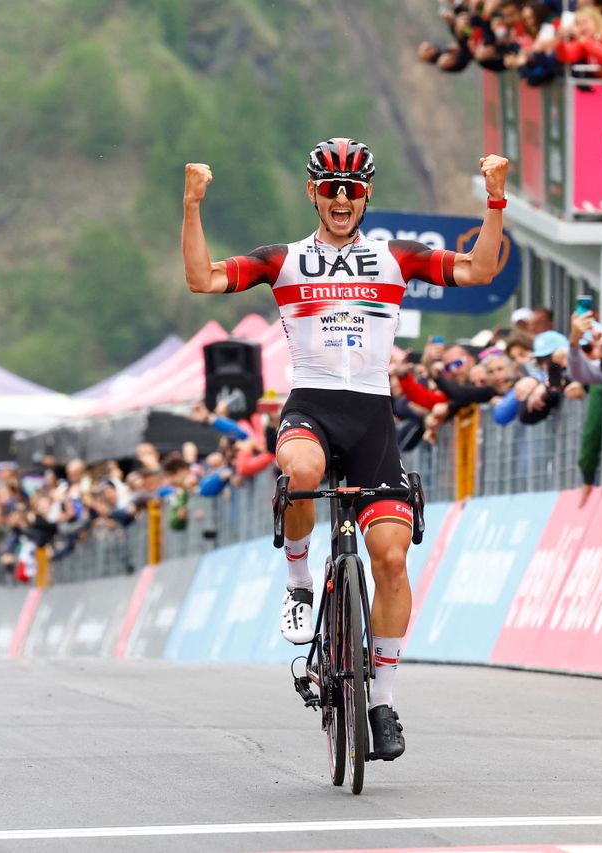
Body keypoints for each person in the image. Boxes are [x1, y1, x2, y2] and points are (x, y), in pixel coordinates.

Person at [182, 137, 508, 761]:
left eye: (351, 189)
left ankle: (382, 701)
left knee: (390, 559)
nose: (340, 199)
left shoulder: (394, 258)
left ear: (366, 196)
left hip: (372, 418)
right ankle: (302, 581)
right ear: (312, 193)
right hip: (311, 407)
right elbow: (202, 280)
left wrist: (495, 201)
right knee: (301, 471)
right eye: (329, 189)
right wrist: (193, 206)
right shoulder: (283, 260)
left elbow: (479, 270)